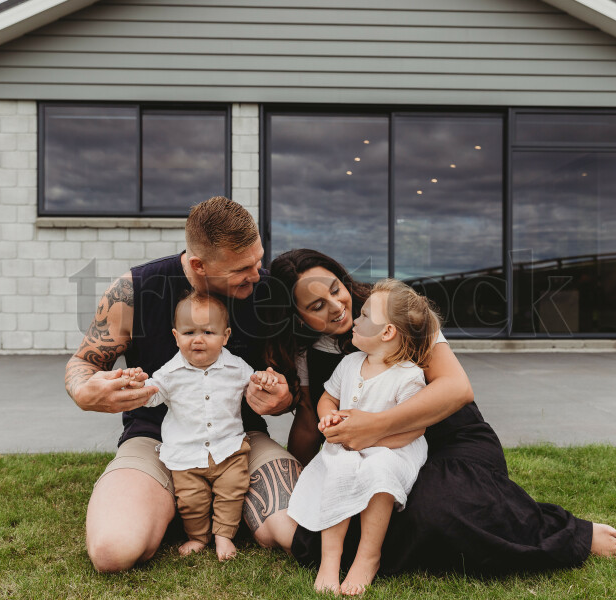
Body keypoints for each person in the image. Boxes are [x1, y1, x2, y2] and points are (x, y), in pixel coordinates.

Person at [262, 249, 616, 577]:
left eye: (334, 289)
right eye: (316, 306)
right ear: (298, 317)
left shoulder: (396, 309)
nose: (336, 306)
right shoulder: (310, 351)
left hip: (449, 442)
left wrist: (375, 427)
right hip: (373, 458)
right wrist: (308, 473)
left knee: (436, 510)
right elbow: (312, 419)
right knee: (334, 519)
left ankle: (572, 533)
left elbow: (457, 388)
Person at [64, 196, 299, 572]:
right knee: (113, 552)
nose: (256, 274)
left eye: (258, 259)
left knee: (293, 531)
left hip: (239, 441)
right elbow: (83, 363)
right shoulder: (133, 291)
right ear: (197, 265)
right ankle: (174, 502)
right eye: (242, 268)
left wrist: (284, 397)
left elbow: (293, 386)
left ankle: (193, 506)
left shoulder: (268, 293)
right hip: (154, 440)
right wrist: (83, 391)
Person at [288, 279, 440, 595]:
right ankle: (331, 560)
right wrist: (328, 414)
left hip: (393, 449)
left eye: (365, 316)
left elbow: (414, 428)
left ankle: (367, 557)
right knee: (341, 467)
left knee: (379, 469)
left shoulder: (408, 375)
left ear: (386, 333)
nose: (355, 319)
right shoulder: (350, 364)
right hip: (348, 446)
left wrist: (373, 442)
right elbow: (327, 397)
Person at [120, 291, 267, 561]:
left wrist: (265, 382)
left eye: (209, 332)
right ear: (176, 337)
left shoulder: (236, 367)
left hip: (228, 449)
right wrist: (137, 386)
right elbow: (152, 396)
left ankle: (224, 535)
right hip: (186, 455)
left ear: (225, 336)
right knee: (191, 501)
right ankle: (198, 536)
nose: (198, 339)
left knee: (233, 490)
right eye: (189, 333)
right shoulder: (170, 373)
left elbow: (255, 382)